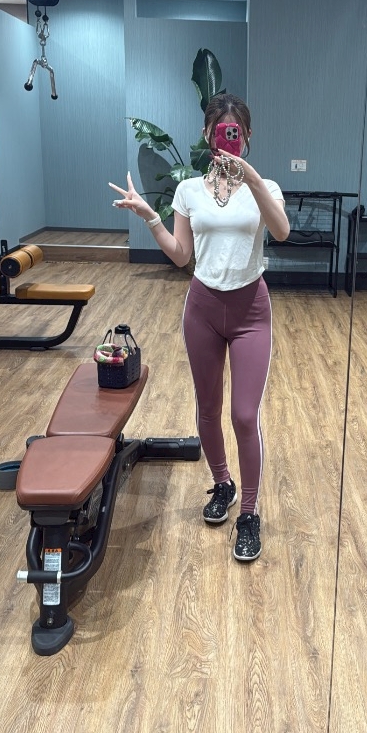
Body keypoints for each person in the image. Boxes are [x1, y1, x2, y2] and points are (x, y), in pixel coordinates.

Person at [109, 94, 290, 562]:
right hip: (203, 308)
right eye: (220, 131)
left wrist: (250, 178)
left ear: (247, 136)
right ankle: (223, 484)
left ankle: (249, 513)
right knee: (207, 409)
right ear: (207, 135)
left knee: (244, 415)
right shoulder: (188, 190)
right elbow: (181, 255)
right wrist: (151, 218)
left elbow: (282, 231)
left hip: (251, 311)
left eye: (236, 132)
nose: (228, 138)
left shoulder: (265, 186)